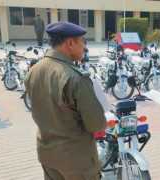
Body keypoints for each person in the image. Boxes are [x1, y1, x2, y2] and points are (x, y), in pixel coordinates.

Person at [24, 21, 107, 180]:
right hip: (76, 161)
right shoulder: (76, 78)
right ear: (70, 43)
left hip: (47, 153)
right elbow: (96, 124)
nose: (84, 46)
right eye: (82, 41)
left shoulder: (34, 71)